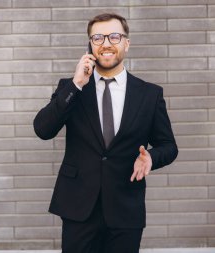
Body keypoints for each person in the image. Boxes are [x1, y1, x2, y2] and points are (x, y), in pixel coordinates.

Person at [33, 13, 178, 253]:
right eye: (98, 37)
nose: (106, 43)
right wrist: (77, 84)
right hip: (78, 207)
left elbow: (169, 146)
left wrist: (151, 158)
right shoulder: (72, 88)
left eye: (114, 36)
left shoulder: (149, 94)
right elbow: (43, 129)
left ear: (126, 43)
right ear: (90, 45)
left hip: (125, 207)